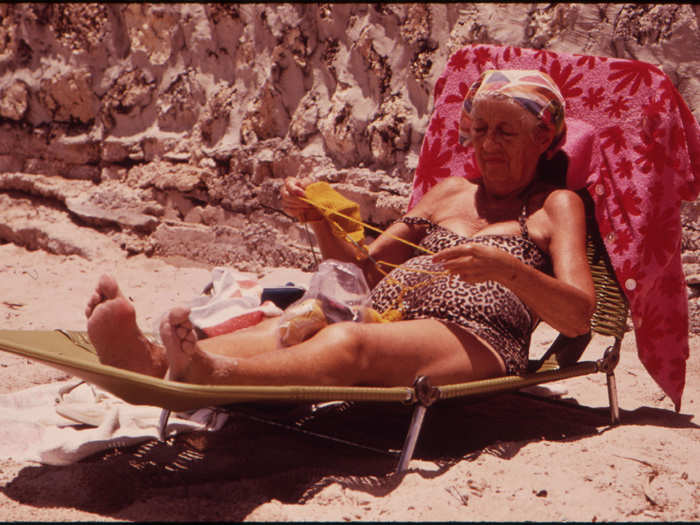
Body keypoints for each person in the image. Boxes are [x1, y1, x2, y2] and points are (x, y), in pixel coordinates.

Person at [85, 69, 595, 388]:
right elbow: (364, 272)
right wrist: (322, 220)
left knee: (348, 343)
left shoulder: (556, 206)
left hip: (474, 339)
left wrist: (507, 271)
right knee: (299, 324)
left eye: (506, 132)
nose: (488, 145)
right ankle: (153, 362)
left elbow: (577, 316)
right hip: (383, 314)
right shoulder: (450, 193)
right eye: (480, 130)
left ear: (543, 137)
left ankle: (212, 374)